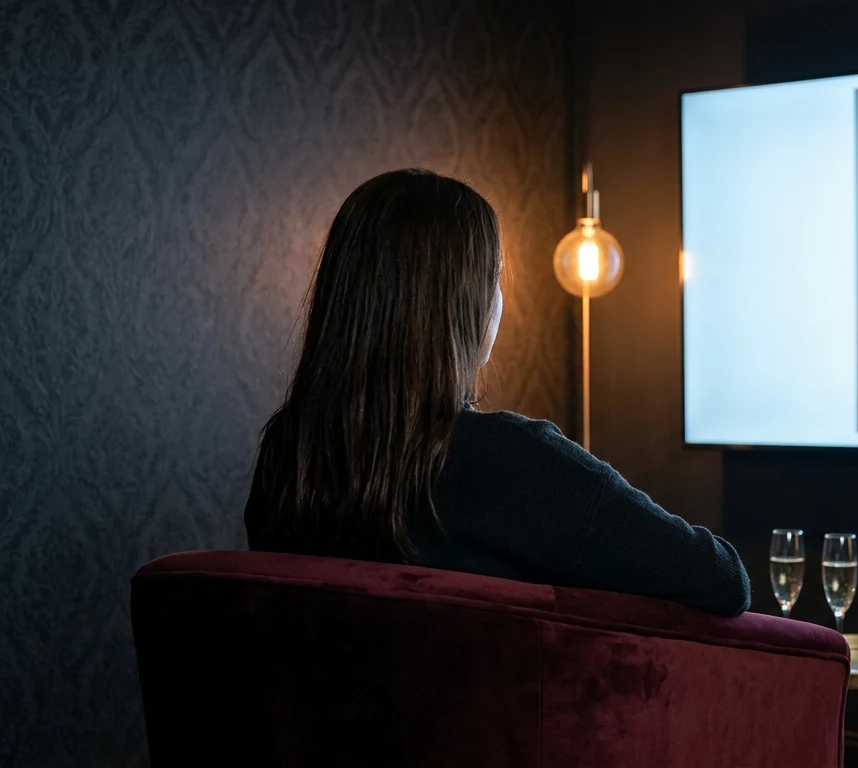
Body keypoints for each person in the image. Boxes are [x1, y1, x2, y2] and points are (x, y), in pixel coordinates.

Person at [244, 169, 750, 616]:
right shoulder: (513, 461)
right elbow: (722, 580)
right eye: (494, 279)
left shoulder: (288, 453)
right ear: (464, 307)